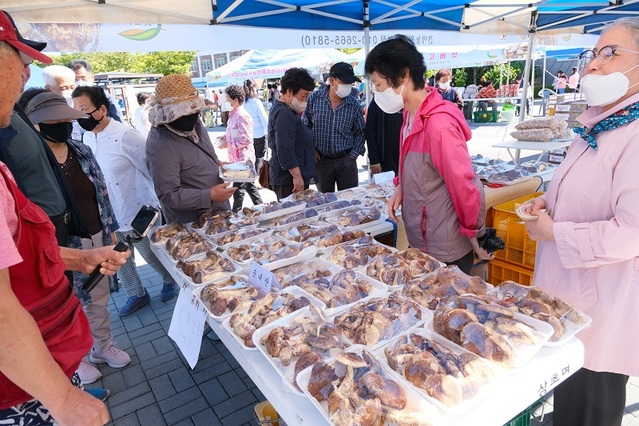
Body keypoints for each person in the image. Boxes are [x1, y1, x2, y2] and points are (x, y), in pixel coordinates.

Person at [0, 13, 129, 424]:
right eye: (16, 59)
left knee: (98, 301)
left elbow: (14, 250)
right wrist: (63, 399)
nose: (26, 72)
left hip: (39, 371)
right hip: (18, 393)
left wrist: (80, 258)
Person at [523, 17, 639, 426]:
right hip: (571, 299)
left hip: (602, 304)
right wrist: (546, 202)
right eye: (594, 54)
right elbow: (583, 192)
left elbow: (632, 232)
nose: (593, 64)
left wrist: (555, 232)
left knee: (590, 408)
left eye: (610, 53)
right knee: (570, 401)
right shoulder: (600, 123)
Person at [364, 35, 493, 274]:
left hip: (445, 247)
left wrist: (475, 234)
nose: (376, 92)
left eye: (379, 85)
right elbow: (419, 167)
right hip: (421, 239)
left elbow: (464, 184)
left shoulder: (438, 124)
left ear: (403, 76)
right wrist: (401, 187)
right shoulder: (408, 116)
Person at [25, 90, 129, 385]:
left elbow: (102, 190)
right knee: (69, 302)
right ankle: (78, 358)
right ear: (36, 125)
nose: (61, 124)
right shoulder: (34, 161)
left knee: (99, 296)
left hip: (96, 233)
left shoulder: (81, 150)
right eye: (52, 120)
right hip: (62, 244)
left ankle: (103, 346)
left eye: (64, 118)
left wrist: (110, 228)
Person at [71, 85, 179, 316]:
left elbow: (150, 168)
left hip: (138, 208)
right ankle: (136, 293)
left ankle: (170, 279)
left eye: (84, 109)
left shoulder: (125, 135)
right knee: (118, 257)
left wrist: (162, 203)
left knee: (149, 252)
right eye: (76, 111)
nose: (80, 116)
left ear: (101, 109)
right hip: (108, 213)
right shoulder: (86, 136)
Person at [145, 74, 235, 223]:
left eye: (194, 111)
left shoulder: (196, 123)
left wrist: (217, 164)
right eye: (184, 113)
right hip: (192, 225)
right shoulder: (160, 143)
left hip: (220, 213)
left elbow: (197, 155)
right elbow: (168, 195)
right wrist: (209, 195)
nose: (192, 115)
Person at [302, 62, 366, 192]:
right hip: (322, 161)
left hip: (346, 161)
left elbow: (360, 132)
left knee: (350, 202)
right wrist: (311, 149)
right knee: (325, 203)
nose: (348, 86)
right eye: (344, 82)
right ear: (331, 81)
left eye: (350, 83)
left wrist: (352, 156)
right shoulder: (314, 99)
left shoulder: (354, 105)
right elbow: (305, 127)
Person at [268, 68, 317, 200]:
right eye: (303, 96)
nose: (305, 101)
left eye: (307, 97)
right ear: (289, 92)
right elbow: (284, 147)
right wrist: (297, 176)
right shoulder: (284, 113)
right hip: (288, 180)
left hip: (292, 176)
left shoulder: (287, 110)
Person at [218, 85, 263, 212]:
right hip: (237, 160)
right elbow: (233, 133)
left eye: (227, 99)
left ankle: (234, 214)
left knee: (239, 189)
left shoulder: (242, 116)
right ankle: (261, 208)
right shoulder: (233, 115)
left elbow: (246, 139)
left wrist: (228, 144)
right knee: (248, 186)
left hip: (243, 160)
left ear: (235, 100)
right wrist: (223, 138)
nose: (225, 102)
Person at [364, 96, 401, 175]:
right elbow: (369, 131)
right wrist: (374, 160)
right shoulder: (379, 99)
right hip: (384, 160)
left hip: (405, 158)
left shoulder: (407, 97)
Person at [243, 79, 269, 179]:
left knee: (250, 157)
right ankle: (256, 179)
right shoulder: (256, 102)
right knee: (259, 157)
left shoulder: (243, 103)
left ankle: (250, 177)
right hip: (259, 134)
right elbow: (264, 119)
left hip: (248, 135)